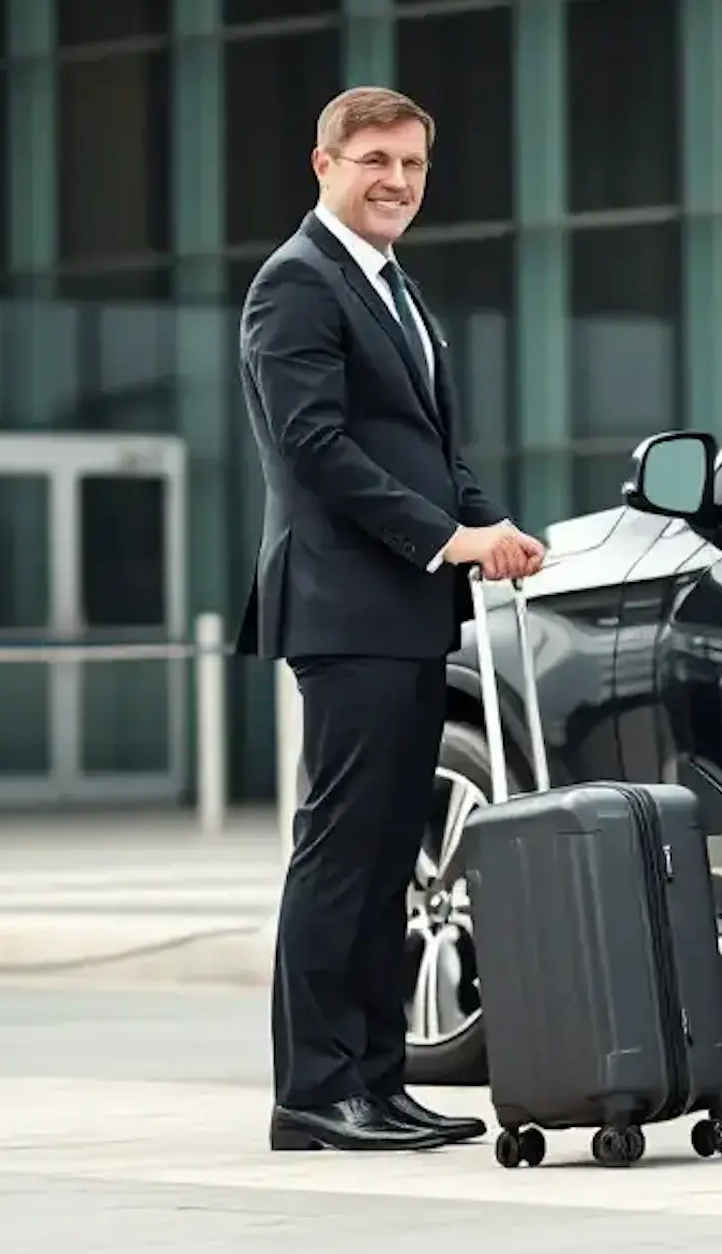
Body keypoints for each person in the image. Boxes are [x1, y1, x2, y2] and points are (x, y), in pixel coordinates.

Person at [234, 85, 544, 1153]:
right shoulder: (297, 284)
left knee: (383, 860)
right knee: (342, 852)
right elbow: (317, 447)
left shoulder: (391, 286)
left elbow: (422, 445)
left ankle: (377, 1077)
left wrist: (486, 518)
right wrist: (443, 539)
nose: (397, 182)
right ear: (321, 163)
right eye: (374, 159)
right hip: (346, 605)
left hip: (405, 608)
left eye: (412, 164)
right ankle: (316, 1090)